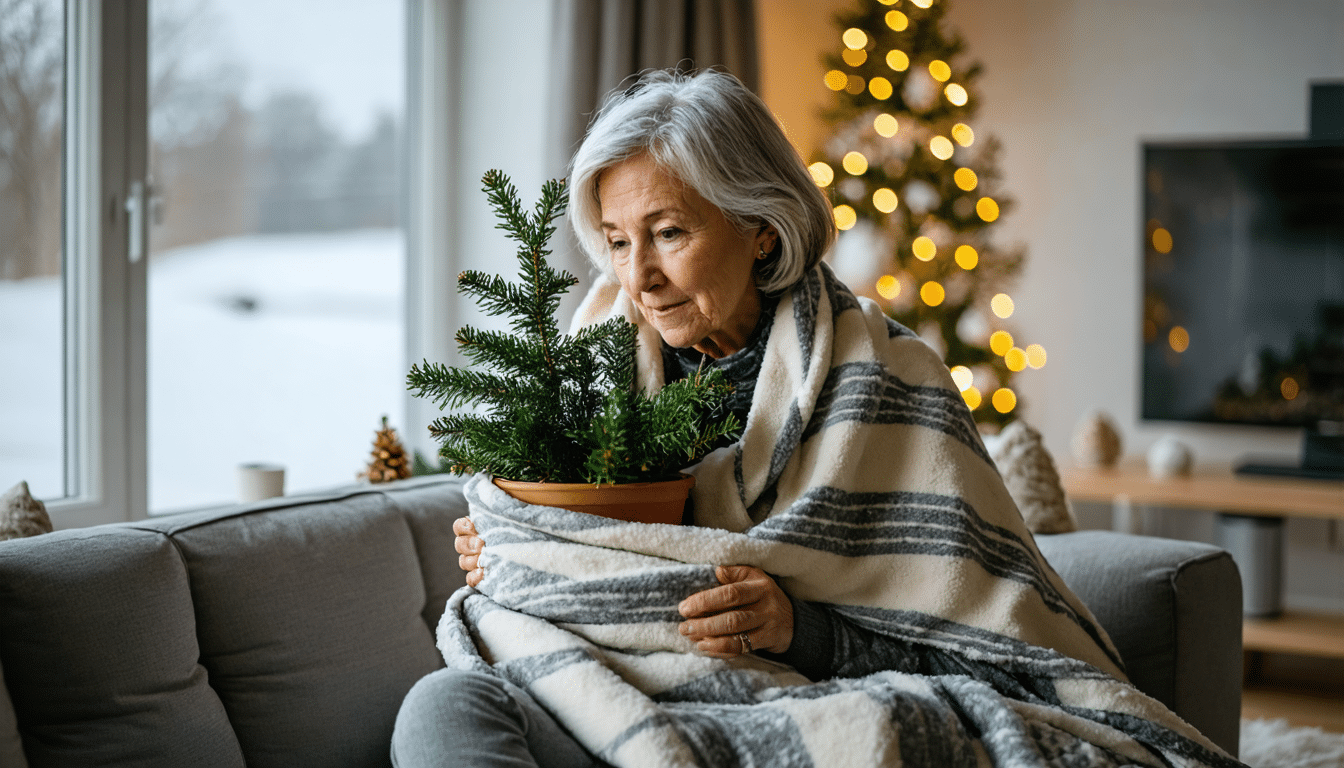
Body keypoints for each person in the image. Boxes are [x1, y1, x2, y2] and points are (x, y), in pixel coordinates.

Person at [391, 69, 1214, 768]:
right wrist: (518, 545)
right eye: (614, 241)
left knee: (886, 733)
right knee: (443, 707)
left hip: (800, 707)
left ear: (758, 226)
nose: (637, 276)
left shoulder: (892, 383)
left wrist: (801, 629)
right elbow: (539, 542)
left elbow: (994, 652)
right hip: (602, 691)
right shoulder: (587, 363)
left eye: (668, 232)